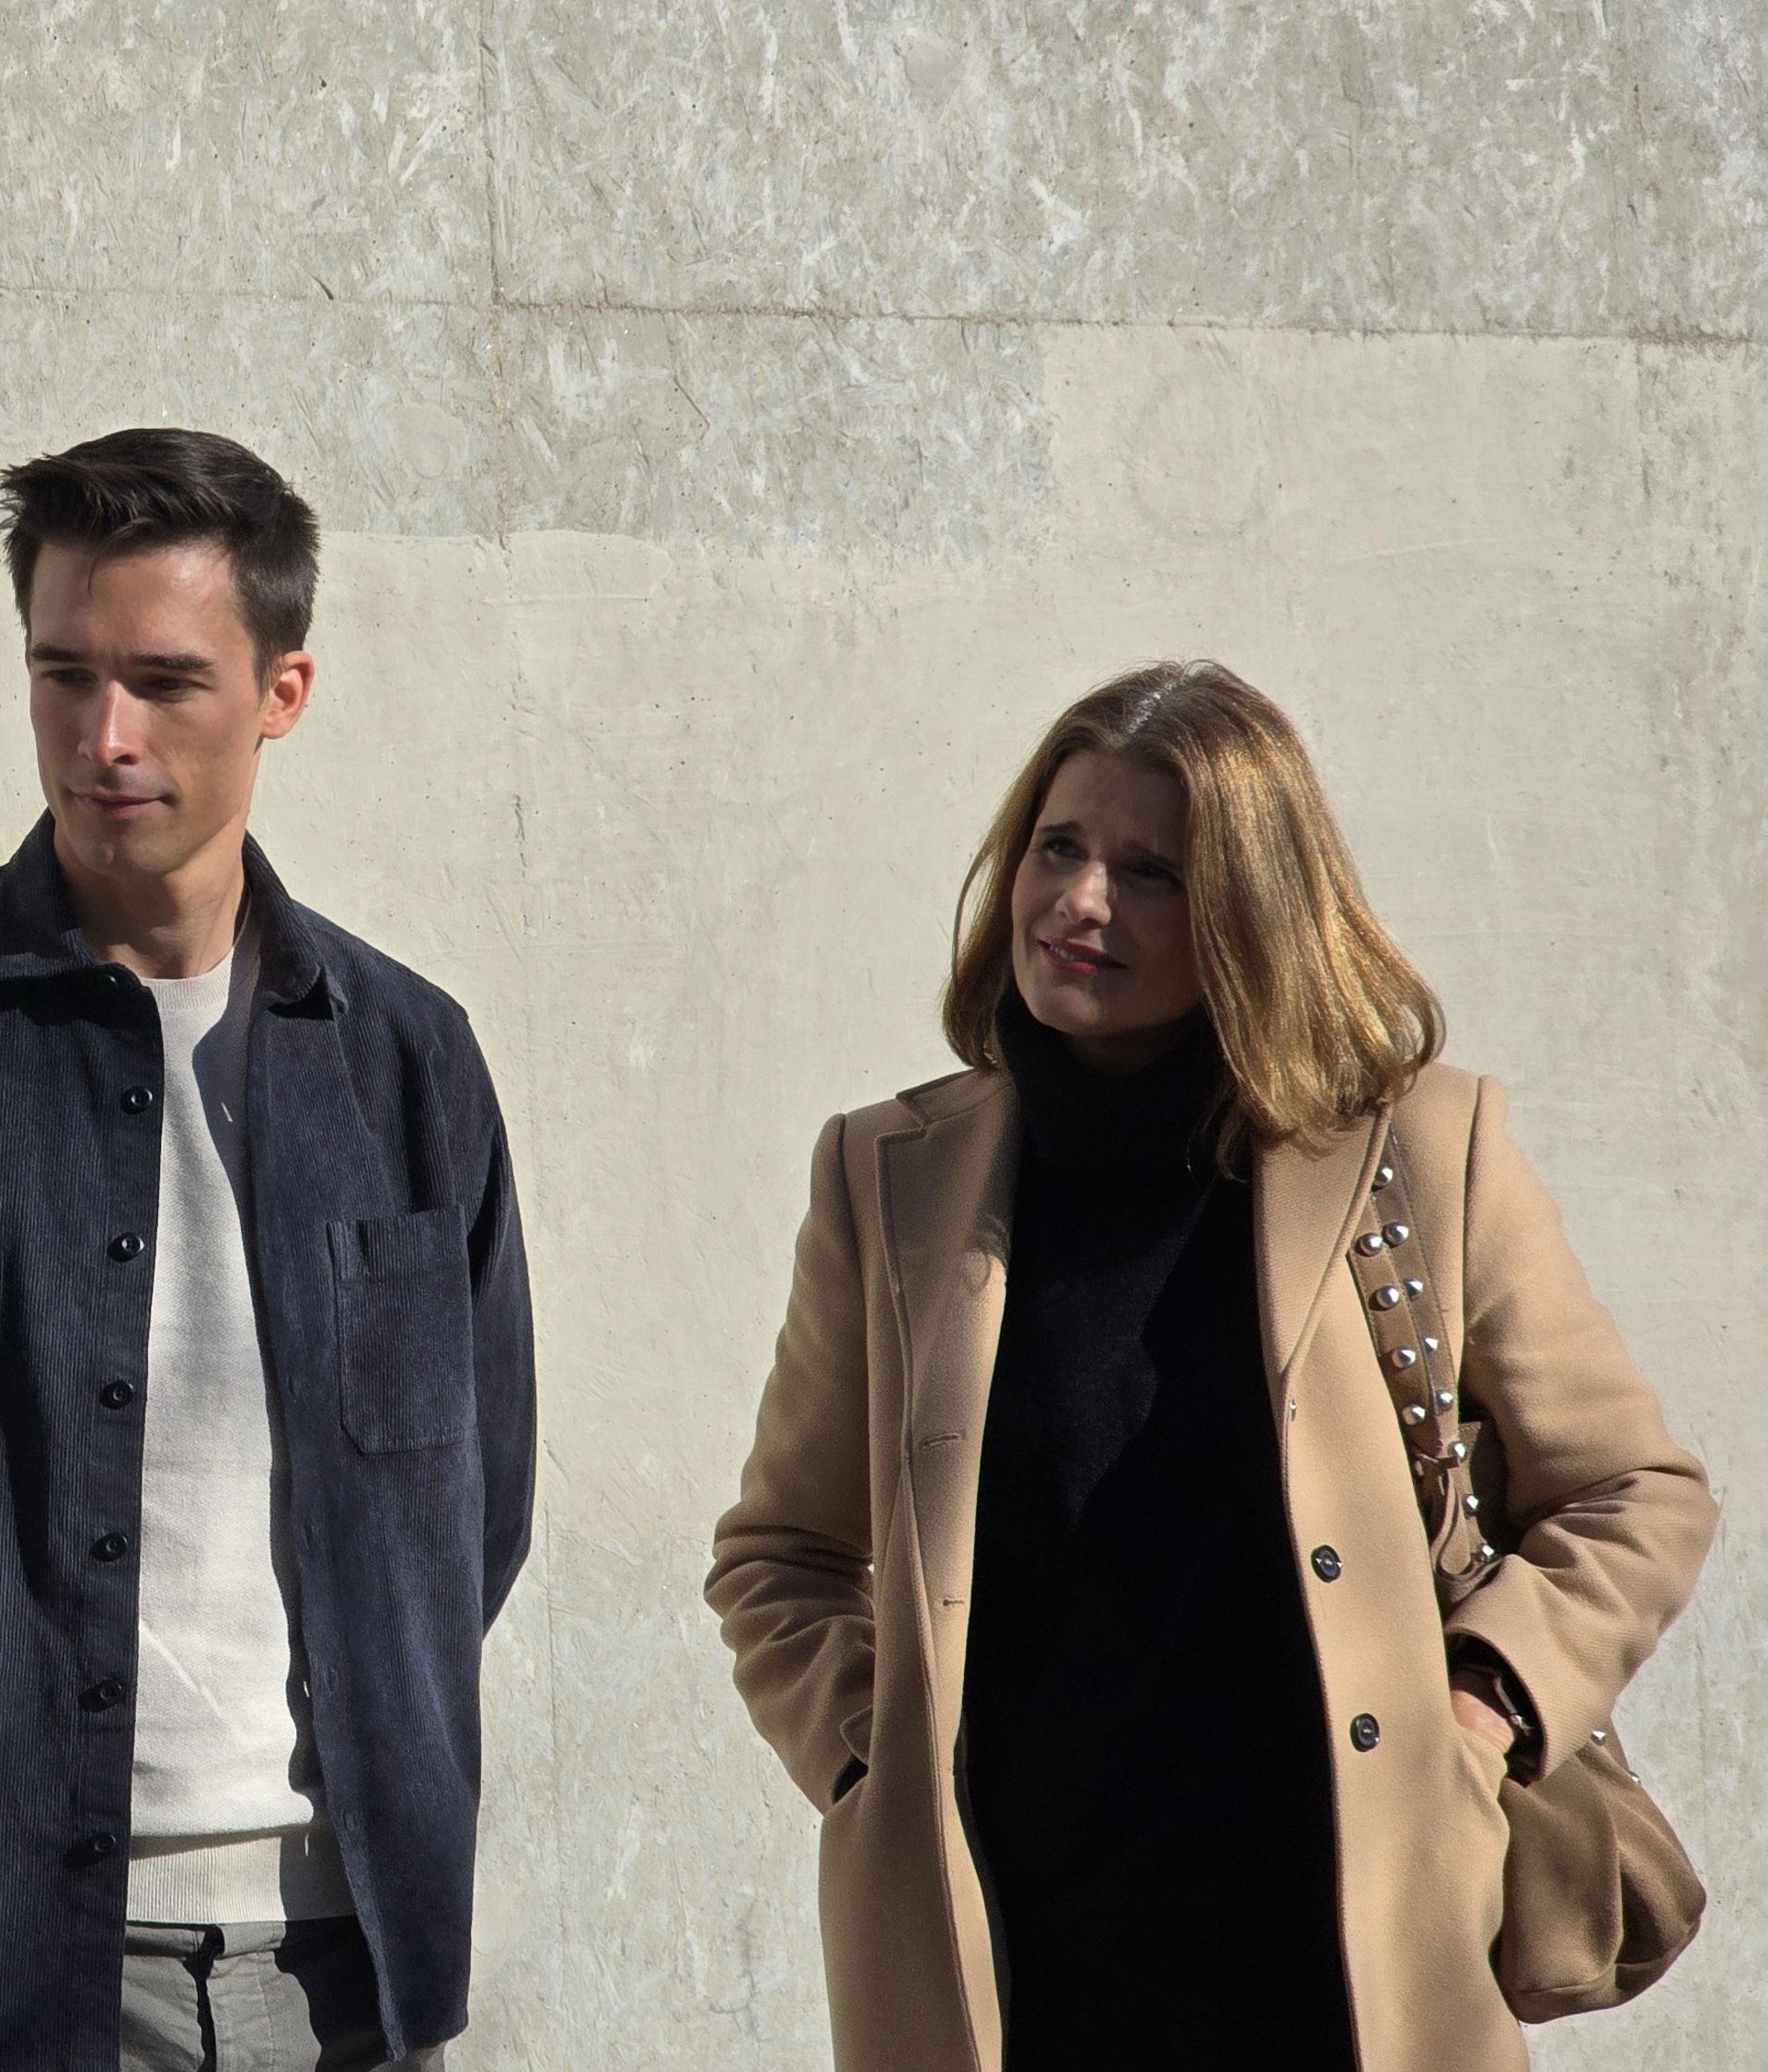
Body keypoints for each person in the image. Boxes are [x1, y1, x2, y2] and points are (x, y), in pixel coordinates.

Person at [0, 429, 534, 2072]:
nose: (104, 736)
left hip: (360, 1971)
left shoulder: (409, 1064)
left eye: (165, 681)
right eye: (63, 674)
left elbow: (475, 1511)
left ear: (284, 690)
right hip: (10, 1983)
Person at [706, 662, 1713, 2070]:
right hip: (1013, 1979)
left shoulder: (1418, 1151)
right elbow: (781, 1552)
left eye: (1150, 874)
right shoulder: (891, 1176)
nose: (1079, 903)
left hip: (1338, 1971)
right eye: (1057, 849)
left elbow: (1634, 1494)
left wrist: (1480, 1715)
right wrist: (875, 1762)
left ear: (1249, 911)